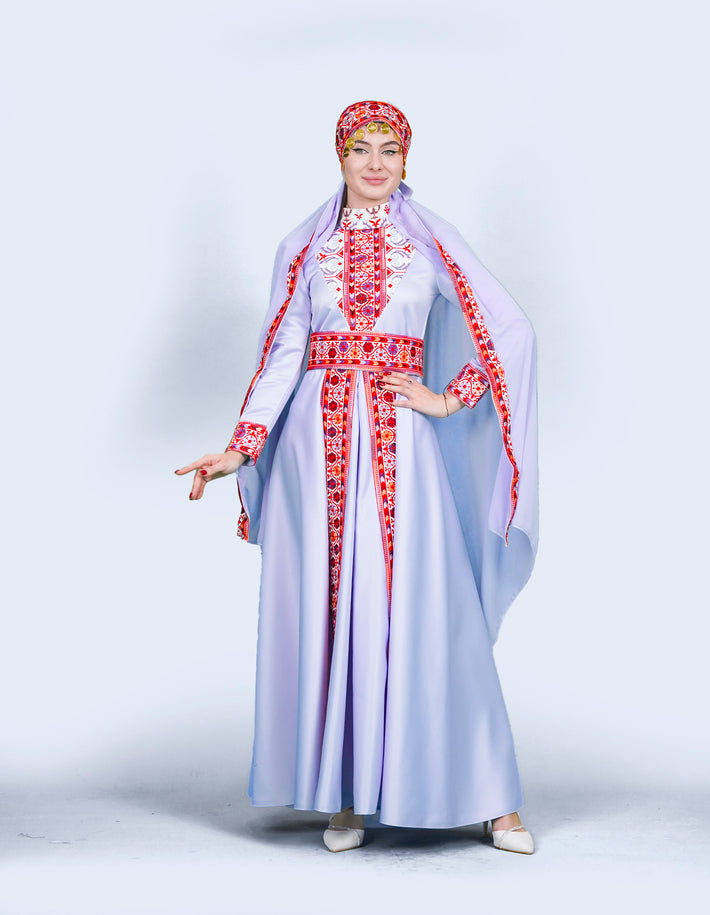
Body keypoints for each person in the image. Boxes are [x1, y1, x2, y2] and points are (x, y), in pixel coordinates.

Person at [176, 100, 539, 855]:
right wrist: (240, 449)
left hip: (403, 446)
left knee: (432, 609)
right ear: (338, 157)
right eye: (360, 148)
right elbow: (283, 356)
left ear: (407, 160)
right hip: (316, 448)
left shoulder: (430, 242)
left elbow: (509, 330)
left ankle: (493, 800)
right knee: (334, 609)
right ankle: (348, 793)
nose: (375, 163)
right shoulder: (306, 248)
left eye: (389, 149)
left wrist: (447, 399)